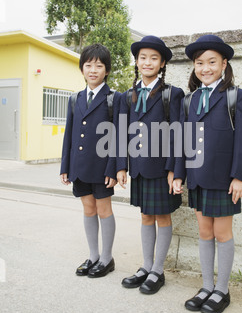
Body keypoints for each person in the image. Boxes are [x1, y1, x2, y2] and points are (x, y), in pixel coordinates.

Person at [173, 34, 242, 313]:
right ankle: (207, 286)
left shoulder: (236, 96)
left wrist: (239, 177)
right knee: (204, 232)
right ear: (194, 67)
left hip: (223, 179)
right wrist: (178, 175)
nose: (205, 68)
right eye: (199, 63)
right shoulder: (189, 100)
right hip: (197, 177)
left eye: (211, 62)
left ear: (224, 64)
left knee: (222, 233)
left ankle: (222, 289)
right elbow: (184, 142)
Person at [117, 36, 184, 294]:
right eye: (143, 57)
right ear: (136, 61)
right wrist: (121, 167)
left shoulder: (172, 94)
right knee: (145, 216)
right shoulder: (128, 96)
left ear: (162, 62)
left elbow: (178, 134)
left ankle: (158, 270)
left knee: (163, 216)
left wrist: (173, 170)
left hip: (162, 169)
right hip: (139, 167)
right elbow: (121, 133)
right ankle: (146, 266)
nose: (147, 62)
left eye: (153, 58)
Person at [60, 43, 121, 279]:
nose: (93, 70)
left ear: (107, 70)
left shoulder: (114, 98)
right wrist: (66, 166)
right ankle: (93, 255)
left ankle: (107, 258)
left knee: (104, 210)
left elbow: (119, 137)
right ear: (82, 69)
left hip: (103, 167)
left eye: (99, 65)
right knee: (88, 209)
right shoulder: (75, 99)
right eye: (88, 65)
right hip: (80, 165)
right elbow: (69, 135)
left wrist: (114, 168)